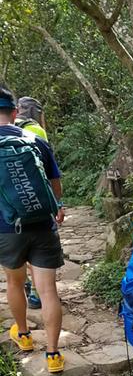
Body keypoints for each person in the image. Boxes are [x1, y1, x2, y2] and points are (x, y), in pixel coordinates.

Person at [0, 87, 66, 373]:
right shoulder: (35, 140)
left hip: (6, 229)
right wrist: (58, 206)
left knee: (14, 283)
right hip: (42, 223)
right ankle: (53, 354)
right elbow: (55, 184)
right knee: (48, 290)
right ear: (15, 113)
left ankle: (24, 336)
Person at [16, 97, 49, 310]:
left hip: (11, 203)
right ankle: (37, 295)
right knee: (39, 251)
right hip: (36, 199)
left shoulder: (8, 129)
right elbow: (47, 167)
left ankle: (25, 286)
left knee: (18, 250)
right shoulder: (37, 131)